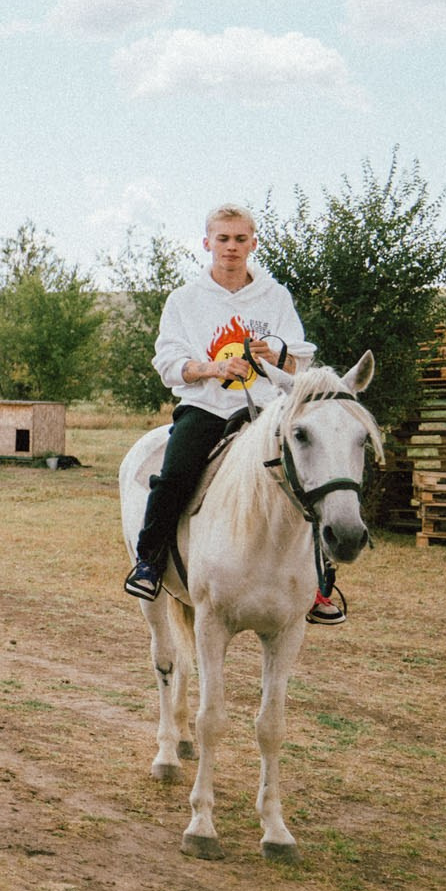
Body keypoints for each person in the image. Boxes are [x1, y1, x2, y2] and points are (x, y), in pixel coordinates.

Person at [125, 205, 341, 623]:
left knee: (310, 478)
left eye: (240, 239)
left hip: (267, 411)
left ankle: (317, 584)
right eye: (222, 239)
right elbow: (168, 363)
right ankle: (149, 562)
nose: (231, 247)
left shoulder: (275, 297)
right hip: (206, 408)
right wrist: (213, 368)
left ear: (253, 244)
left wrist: (275, 355)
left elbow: (299, 362)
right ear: (207, 242)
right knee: (175, 475)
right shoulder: (184, 300)